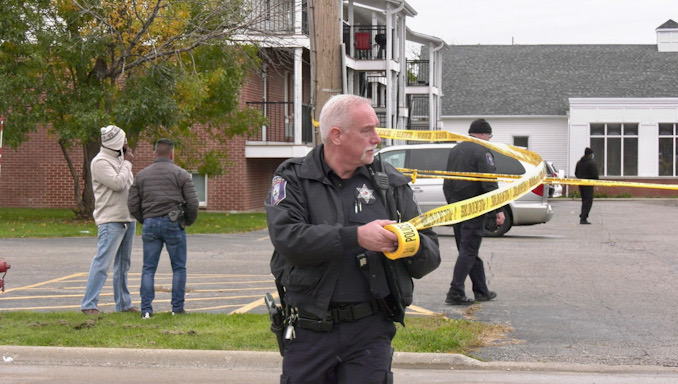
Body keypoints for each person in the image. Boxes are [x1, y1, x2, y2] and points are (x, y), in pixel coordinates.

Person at [265, 94, 440, 383]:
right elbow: (289, 239)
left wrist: (404, 243)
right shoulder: (293, 179)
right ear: (337, 135)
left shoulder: (389, 182)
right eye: (367, 130)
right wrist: (357, 237)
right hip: (310, 332)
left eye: (377, 128)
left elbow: (430, 253)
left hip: (370, 332)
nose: (377, 138)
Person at [127, 138, 199, 318]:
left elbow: (132, 202)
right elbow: (193, 203)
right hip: (174, 222)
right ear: (172, 154)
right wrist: (187, 221)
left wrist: (145, 219)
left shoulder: (142, 175)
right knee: (179, 268)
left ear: (154, 154)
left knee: (148, 268)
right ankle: (177, 308)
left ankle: (146, 310)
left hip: (150, 223)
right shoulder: (181, 174)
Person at [442, 118, 505, 305]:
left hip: (456, 207)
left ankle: (481, 291)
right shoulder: (483, 152)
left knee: (467, 250)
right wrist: (497, 210)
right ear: (484, 134)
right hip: (473, 208)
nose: (490, 140)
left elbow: (447, 181)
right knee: (469, 250)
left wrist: (451, 204)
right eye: (490, 136)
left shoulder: (456, 150)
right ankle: (455, 292)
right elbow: (489, 184)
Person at [81, 125, 138, 315]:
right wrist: (128, 164)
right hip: (111, 220)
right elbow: (117, 184)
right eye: (124, 140)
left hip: (128, 218)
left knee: (123, 265)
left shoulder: (119, 160)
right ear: (115, 143)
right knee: (103, 263)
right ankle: (89, 304)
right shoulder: (100, 162)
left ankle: (123, 304)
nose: (126, 144)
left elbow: (129, 185)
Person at [574, 147, 599, 225]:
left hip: (581, 184)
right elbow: (595, 174)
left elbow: (576, 173)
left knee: (584, 200)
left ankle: (583, 215)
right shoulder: (591, 163)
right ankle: (584, 218)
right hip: (588, 184)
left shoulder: (579, 162)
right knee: (588, 201)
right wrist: (595, 181)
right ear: (590, 154)